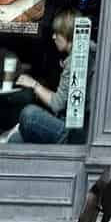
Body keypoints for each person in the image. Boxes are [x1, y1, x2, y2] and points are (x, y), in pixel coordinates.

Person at [11, 10, 77, 144]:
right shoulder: (71, 59)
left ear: (67, 34)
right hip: (68, 124)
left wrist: (34, 85)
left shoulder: (74, 61)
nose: (53, 37)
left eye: (57, 33)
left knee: (29, 114)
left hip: (70, 133)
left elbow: (58, 104)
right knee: (15, 139)